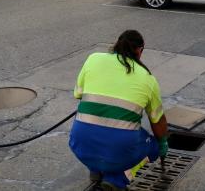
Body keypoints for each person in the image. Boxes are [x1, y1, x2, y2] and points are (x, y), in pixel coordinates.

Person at [69, 30, 169, 191]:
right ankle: (117, 179)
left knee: (96, 129)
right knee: (153, 147)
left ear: (117, 44)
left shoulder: (93, 59)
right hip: (120, 151)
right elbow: (158, 121)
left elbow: (78, 94)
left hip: (79, 144)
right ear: (140, 51)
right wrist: (162, 143)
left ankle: (96, 169)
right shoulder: (148, 79)